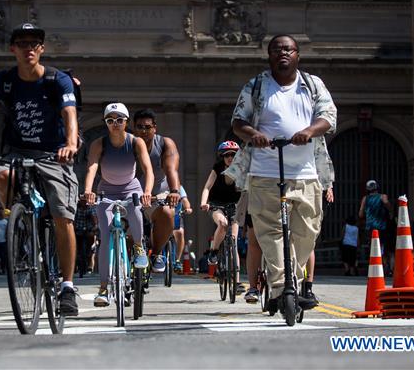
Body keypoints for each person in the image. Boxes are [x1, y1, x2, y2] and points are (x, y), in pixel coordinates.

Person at [0, 23, 80, 316]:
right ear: (13, 49)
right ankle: (20, 223)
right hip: (16, 152)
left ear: (42, 48)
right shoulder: (1, 81)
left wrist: (70, 144)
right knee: (2, 175)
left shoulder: (59, 80)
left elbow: (70, 115)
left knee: (62, 216)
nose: (29, 47)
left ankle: (67, 287)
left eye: (34, 43)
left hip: (53, 153)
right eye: (22, 43)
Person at [228, 35, 337, 313]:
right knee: (270, 233)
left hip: (306, 172)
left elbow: (328, 115)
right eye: (277, 50)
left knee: (307, 231)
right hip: (264, 172)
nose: (282, 54)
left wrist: (308, 132)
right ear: (269, 56)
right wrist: (254, 135)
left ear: (297, 55)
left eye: (288, 49)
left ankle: (293, 278)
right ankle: (281, 287)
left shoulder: (312, 85)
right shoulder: (256, 86)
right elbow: (238, 121)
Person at [81, 103, 153, 307]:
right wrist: (89, 191)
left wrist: (147, 192)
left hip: (132, 189)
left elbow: (147, 169)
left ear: (126, 122)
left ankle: (138, 247)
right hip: (106, 191)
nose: (115, 124)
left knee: (136, 213)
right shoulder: (99, 144)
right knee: (105, 237)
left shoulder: (136, 142)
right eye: (110, 120)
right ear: (106, 123)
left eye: (119, 120)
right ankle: (103, 288)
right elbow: (92, 167)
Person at [131, 109, 190, 274]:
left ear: (154, 128)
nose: (143, 131)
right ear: (133, 128)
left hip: (158, 194)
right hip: (132, 195)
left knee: (167, 213)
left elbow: (171, 169)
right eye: (139, 127)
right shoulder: (128, 144)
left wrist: (174, 191)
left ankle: (156, 254)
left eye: (147, 127)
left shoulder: (165, 143)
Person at [200, 141, 243, 287]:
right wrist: (204, 202)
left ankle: (236, 282)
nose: (230, 158)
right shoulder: (217, 169)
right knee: (223, 224)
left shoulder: (241, 169)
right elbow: (207, 187)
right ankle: (214, 251)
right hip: (216, 204)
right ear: (222, 157)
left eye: (233, 155)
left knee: (234, 242)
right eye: (227, 155)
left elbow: (247, 189)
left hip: (234, 206)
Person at [358, 180, 393, 276]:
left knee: (373, 248)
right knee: (384, 247)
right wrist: (389, 211)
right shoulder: (383, 196)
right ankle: (386, 265)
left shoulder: (365, 199)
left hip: (370, 227)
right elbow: (387, 204)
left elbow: (360, 214)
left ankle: (375, 268)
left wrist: (367, 214)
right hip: (382, 226)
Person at [74, 199, 95, 277]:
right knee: (76, 249)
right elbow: (73, 219)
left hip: (87, 231)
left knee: (89, 249)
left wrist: (95, 226)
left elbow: (94, 218)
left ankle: (89, 264)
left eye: (84, 201)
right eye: (82, 200)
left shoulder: (89, 208)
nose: (83, 202)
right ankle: (76, 266)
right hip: (77, 230)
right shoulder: (77, 208)